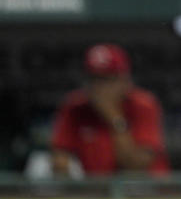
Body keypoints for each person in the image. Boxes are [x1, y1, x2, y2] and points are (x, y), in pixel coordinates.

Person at [50, 43, 168, 176]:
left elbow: (136, 167)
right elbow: (60, 164)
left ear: (125, 80)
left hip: (146, 192)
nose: (99, 88)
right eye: (93, 79)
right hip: (97, 192)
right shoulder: (75, 107)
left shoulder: (143, 105)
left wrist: (113, 118)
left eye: (107, 79)